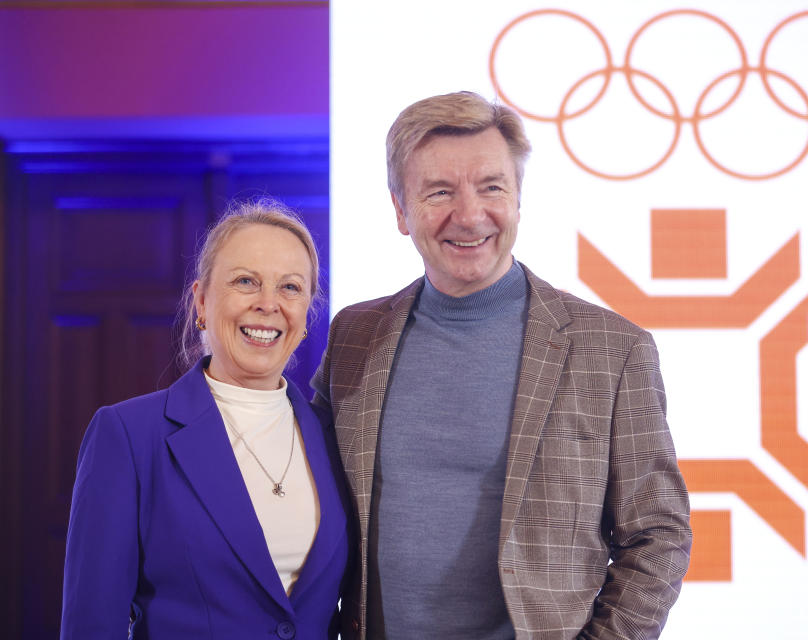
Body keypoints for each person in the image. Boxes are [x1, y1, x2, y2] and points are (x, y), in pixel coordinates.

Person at [311, 91, 691, 639]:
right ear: (399, 210)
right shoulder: (353, 336)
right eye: (440, 192)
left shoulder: (612, 349)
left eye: (492, 187)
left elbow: (659, 534)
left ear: (518, 198)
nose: (469, 215)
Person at [61, 199, 349, 639]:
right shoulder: (129, 436)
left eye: (290, 287)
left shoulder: (334, 435)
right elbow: (92, 626)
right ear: (201, 301)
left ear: (307, 313)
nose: (268, 304)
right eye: (245, 281)